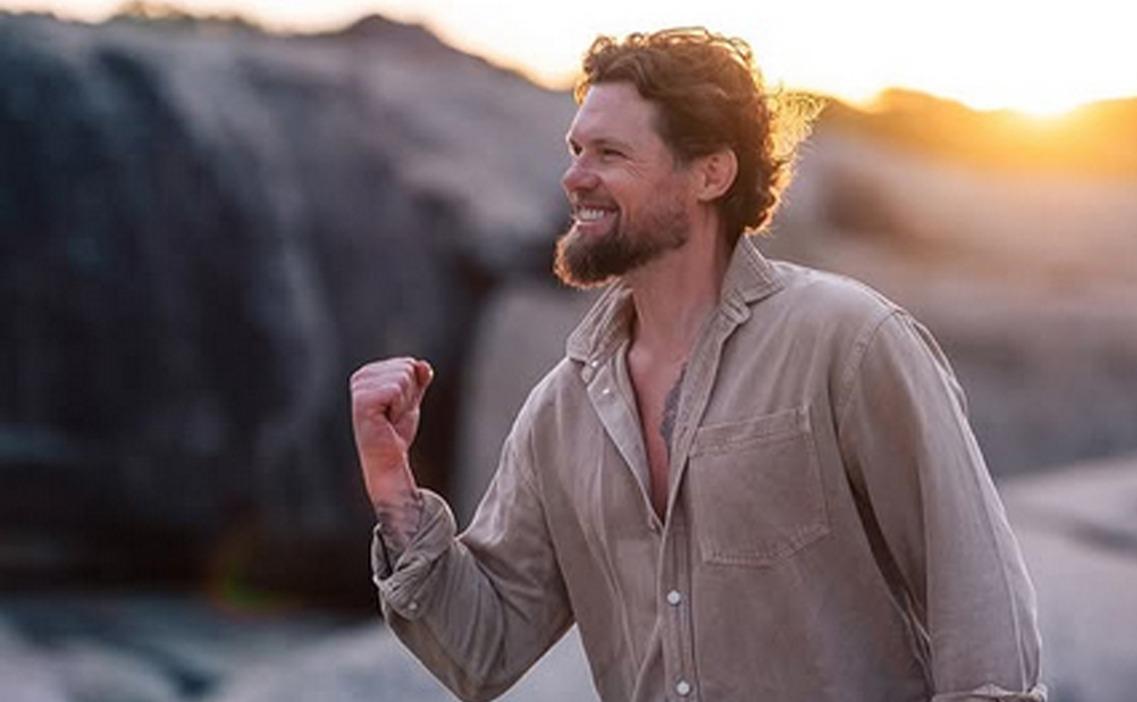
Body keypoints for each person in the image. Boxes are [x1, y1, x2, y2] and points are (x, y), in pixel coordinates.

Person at [350, 27, 1045, 702]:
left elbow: (981, 612)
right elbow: (481, 650)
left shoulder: (849, 342)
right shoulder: (562, 410)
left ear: (711, 173)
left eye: (610, 154)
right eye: (576, 149)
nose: (575, 177)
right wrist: (392, 484)